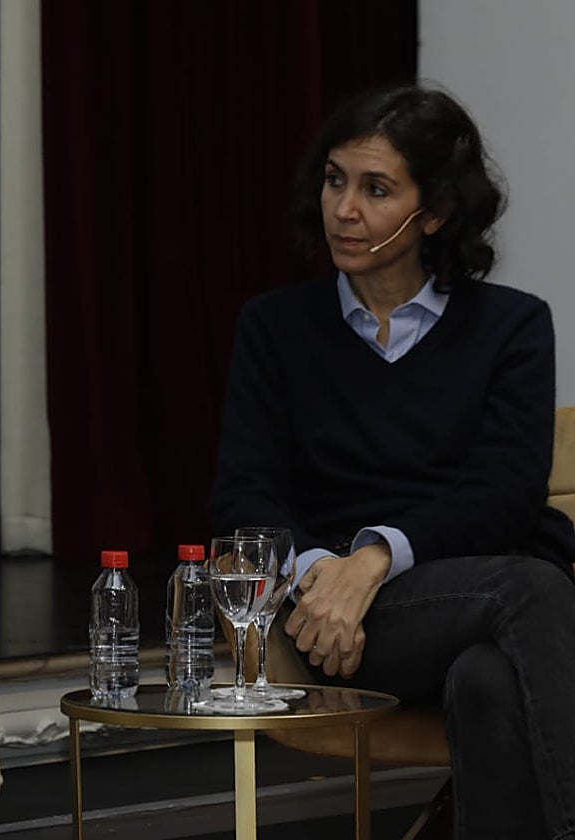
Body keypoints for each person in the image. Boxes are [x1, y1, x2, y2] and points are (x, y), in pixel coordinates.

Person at [210, 84, 575, 839]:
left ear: (434, 212)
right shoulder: (276, 328)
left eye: (377, 189)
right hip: (335, 629)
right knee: (534, 589)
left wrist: (373, 556)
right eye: (335, 179)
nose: (344, 209)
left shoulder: (511, 326)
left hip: (464, 590)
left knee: (488, 679)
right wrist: (320, 577)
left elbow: (505, 497)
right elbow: (244, 492)